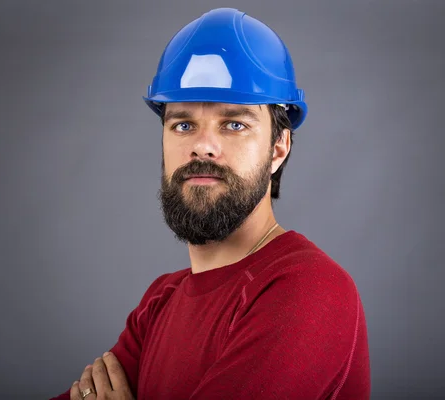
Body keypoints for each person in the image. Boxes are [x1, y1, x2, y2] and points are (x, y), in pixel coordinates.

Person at [51, 7, 371, 400]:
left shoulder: (310, 290)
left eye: (234, 124)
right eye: (183, 125)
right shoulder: (160, 302)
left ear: (278, 148)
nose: (202, 145)